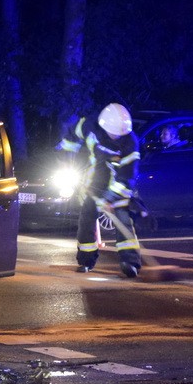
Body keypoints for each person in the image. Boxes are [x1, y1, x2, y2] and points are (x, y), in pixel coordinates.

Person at [58, 102, 142, 277]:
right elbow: (71, 136)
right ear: (103, 126)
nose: (117, 137)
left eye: (121, 134)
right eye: (114, 133)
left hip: (118, 184)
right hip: (95, 182)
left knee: (122, 219)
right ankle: (86, 260)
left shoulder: (130, 142)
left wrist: (110, 199)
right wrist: (67, 158)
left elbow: (127, 176)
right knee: (86, 220)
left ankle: (130, 262)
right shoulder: (89, 126)